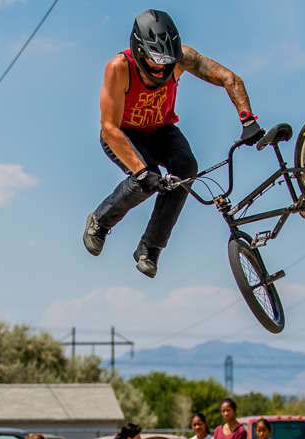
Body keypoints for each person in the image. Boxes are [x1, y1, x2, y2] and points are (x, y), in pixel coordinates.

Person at [83, 9, 264, 278]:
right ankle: (100, 221)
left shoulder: (182, 59)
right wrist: (141, 172)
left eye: (166, 63)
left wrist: (248, 119)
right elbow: (109, 128)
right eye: (155, 62)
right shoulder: (119, 67)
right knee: (147, 178)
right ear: (139, 52)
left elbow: (230, 78)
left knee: (186, 169)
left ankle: (150, 247)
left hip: (161, 130)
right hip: (123, 134)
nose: (161, 69)